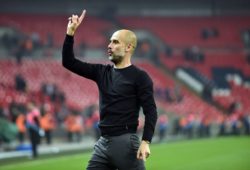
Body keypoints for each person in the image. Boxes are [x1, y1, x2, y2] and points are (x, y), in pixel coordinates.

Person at [62, 10, 158, 170]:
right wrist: (70, 34)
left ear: (128, 47)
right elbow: (68, 62)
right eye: (110, 42)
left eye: (115, 42)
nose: (109, 45)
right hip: (103, 143)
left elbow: (151, 111)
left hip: (126, 143)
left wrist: (145, 141)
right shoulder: (102, 72)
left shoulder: (140, 77)